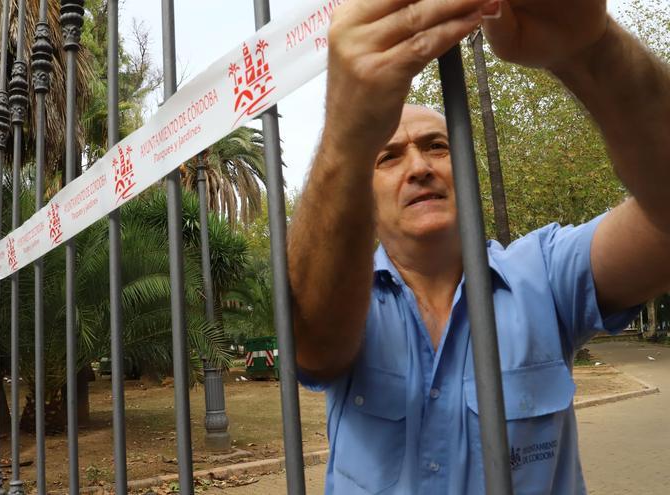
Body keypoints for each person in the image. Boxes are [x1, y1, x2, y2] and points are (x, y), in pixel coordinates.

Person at [287, 0, 670, 493]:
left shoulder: (545, 275)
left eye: (437, 146)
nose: (420, 167)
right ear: (361, 195)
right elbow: (312, 342)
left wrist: (592, 51)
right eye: (387, 156)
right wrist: (346, 135)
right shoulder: (345, 295)